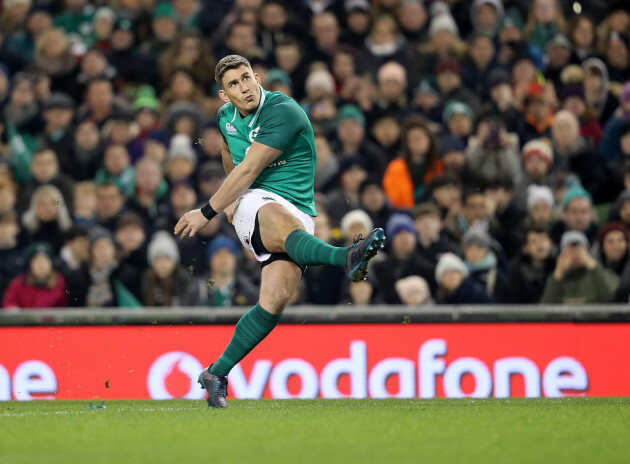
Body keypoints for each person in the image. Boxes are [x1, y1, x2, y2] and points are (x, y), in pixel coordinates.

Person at [174, 55, 385, 408]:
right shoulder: (225, 118)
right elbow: (236, 165)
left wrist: (209, 208)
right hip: (255, 201)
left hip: (299, 211)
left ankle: (216, 372)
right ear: (224, 96)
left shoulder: (282, 111)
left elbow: (249, 165)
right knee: (273, 215)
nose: (243, 88)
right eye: (233, 85)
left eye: (246, 78)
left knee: (274, 302)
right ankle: (345, 257)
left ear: (257, 77)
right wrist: (220, 207)